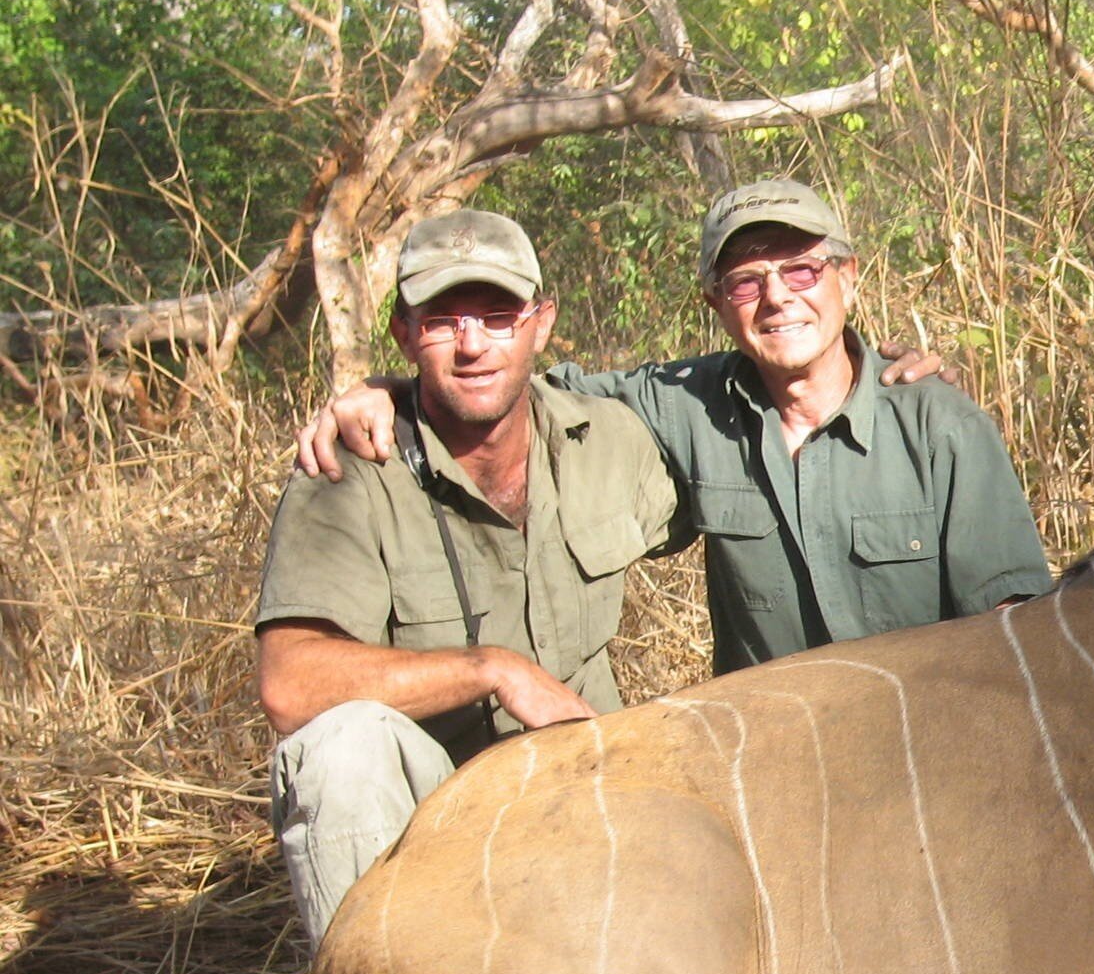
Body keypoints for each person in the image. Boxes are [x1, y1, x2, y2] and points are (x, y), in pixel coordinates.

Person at [298, 178, 1053, 676]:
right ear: (716, 304)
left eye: (800, 271)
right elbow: (518, 388)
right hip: (769, 763)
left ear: (848, 277)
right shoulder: (684, 404)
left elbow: (1017, 634)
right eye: (745, 282)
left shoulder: (939, 424)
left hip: (924, 751)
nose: (777, 299)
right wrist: (394, 392)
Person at [257, 209, 680, 950]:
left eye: (497, 314)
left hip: (601, 802)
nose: (473, 343)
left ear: (540, 323)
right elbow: (290, 682)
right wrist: (493, 671)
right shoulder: (350, 470)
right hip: (440, 837)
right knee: (341, 751)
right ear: (403, 332)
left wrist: (890, 374)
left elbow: (758, 402)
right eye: (443, 319)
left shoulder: (611, 437)